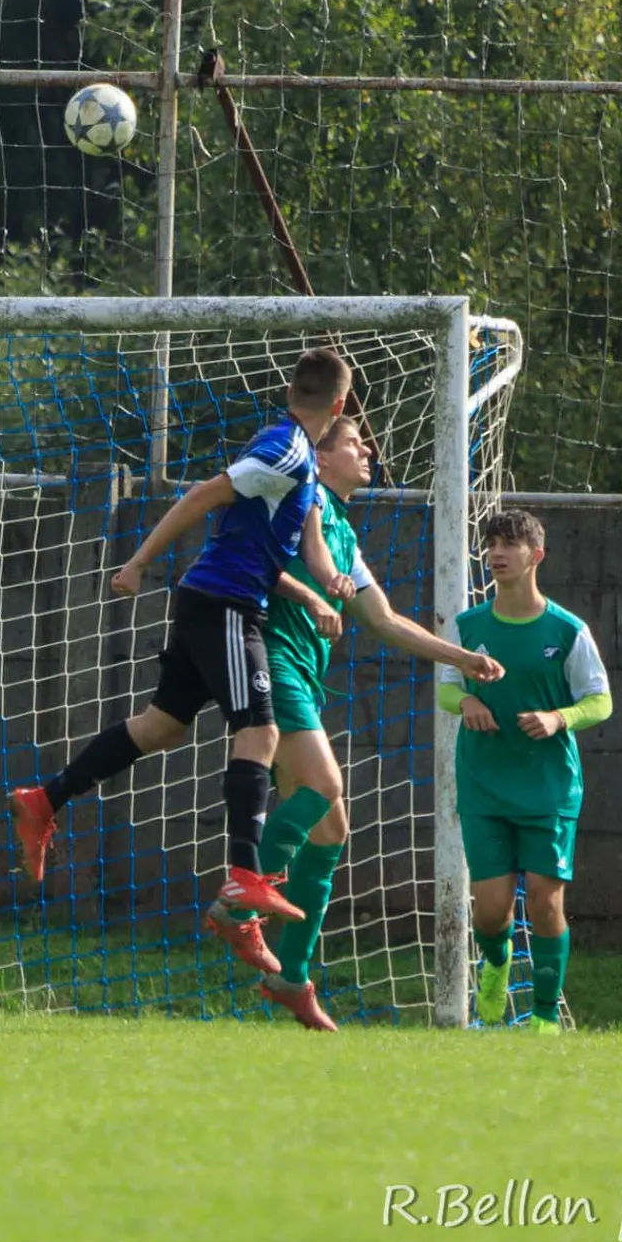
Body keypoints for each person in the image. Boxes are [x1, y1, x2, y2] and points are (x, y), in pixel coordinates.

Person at [9, 348, 357, 922]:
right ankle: (245, 876)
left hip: (217, 602)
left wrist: (328, 580)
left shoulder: (302, 466)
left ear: (292, 391)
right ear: (339, 404)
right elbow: (201, 495)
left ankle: (44, 799)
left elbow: (309, 548)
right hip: (225, 605)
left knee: (162, 726)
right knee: (260, 730)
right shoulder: (285, 449)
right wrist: (138, 561)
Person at [239, 416, 503, 1030]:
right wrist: (307, 593)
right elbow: (253, 557)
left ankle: (291, 975)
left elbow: (383, 620)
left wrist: (460, 657)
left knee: (331, 829)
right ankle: (242, 892)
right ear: (320, 458)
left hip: (305, 676)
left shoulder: (342, 530)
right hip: (271, 661)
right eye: (355, 442)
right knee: (324, 791)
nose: (369, 451)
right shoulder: (295, 500)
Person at [438, 510, 610, 1035]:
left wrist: (559, 717)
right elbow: (445, 686)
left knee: (544, 897)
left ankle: (542, 1016)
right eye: (492, 544)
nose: (497, 553)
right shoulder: (467, 627)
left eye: (510, 544)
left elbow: (599, 700)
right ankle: (495, 963)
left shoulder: (567, 630)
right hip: (484, 784)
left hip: (548, 786)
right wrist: (465, 702)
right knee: (490, 912)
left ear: (536, 556)